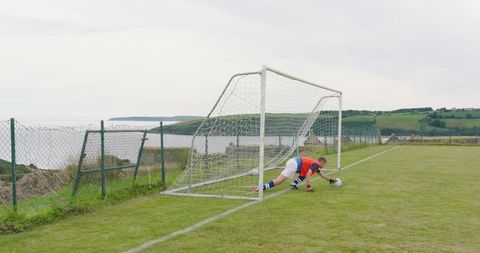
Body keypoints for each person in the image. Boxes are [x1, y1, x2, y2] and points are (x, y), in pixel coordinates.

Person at [254, 156, 338, 192]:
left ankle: (293, 184)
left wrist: (331, 180)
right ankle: (259, 189)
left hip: (293, 162)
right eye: (324, 164)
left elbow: (322, 175)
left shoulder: (315, 164)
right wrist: (309, 187)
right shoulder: (316, 165)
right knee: (278, 181)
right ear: (321, 162)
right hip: (294, 164)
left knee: (302, 175)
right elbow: (308, 174)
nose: (324, 166)